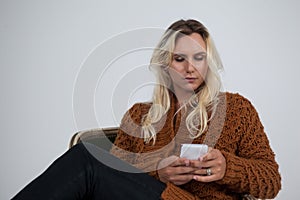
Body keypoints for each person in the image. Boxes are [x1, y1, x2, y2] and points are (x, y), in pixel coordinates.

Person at [12, 19, 281, 200]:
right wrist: (158, 171)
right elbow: (114, 174)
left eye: (199, 58)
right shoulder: (139, 115)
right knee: (92, 160)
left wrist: (227, 167)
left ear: (208, 63)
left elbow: (271, 181)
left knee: (88, 156)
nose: (190, 68)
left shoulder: (235, 109)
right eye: (180, 59)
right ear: (165, 63)